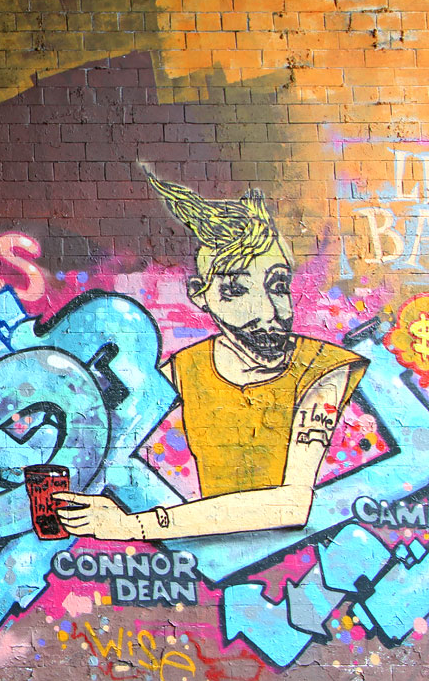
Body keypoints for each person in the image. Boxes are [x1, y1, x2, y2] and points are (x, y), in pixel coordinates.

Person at [55, 169, 367, 541]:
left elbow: (291, 506)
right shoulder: (187, 370)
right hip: (215, 566)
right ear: (201, 295)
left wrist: (133, 526)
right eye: (237, 290)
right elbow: (105, 440)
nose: (268, 311)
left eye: (278, 285)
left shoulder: (322, 371)